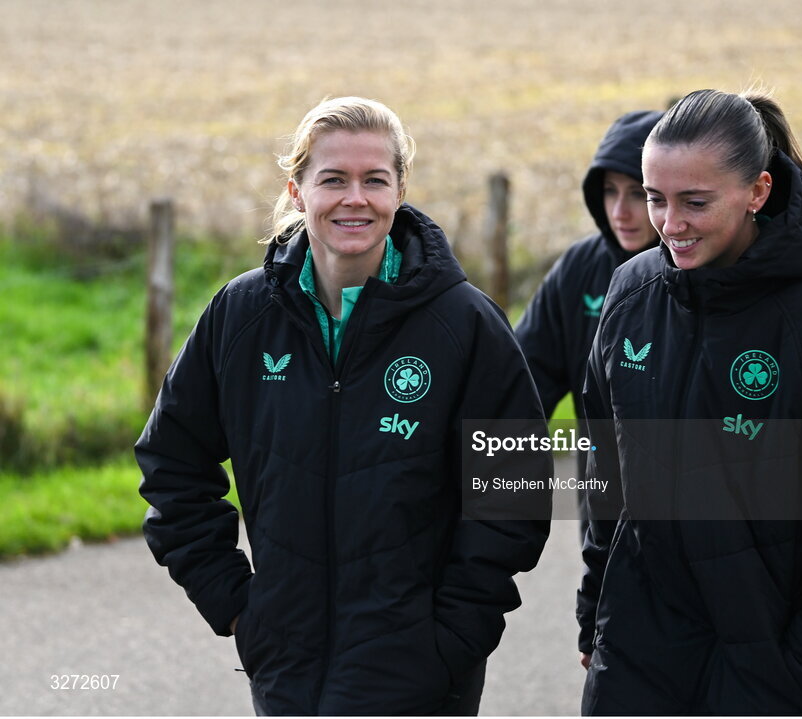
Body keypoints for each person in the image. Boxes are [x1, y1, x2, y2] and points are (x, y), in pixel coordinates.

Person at [136, 96, 551, 716]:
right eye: (332, 179)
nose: (354, 198)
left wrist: (456, 635)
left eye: (374, 180)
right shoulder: (241, 316)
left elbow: (515, 487)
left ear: (400, 190)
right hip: (287, 675)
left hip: (425, 678)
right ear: (297, 191)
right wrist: (235, 603)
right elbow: (171, 459)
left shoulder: (464, 324)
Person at [576, 89, 802, 715]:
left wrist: (801, 674)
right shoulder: (630, 293)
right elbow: (606, 473)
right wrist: (595, 615)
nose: (669, 223)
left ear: (758, 192)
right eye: (656, 198)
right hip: (637, 668)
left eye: (696, 202)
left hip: (781, 678)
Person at [515, 109, 662, 534]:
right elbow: (524, 381)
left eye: (637, 193)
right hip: (602, 514)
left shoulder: (700, 273)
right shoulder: (580, 267)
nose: (621, 211)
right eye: (609, 191)